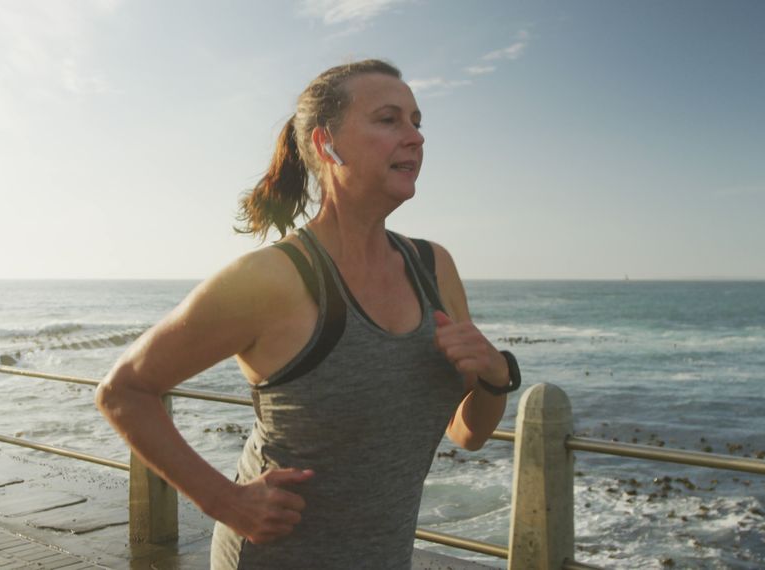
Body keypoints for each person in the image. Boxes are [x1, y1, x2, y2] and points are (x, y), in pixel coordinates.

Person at [95, 59, 520, 569]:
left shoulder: (434, 267)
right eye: (389, 120)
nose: (415, 138)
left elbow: (466, 433)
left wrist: (495, 378)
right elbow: (123, 391)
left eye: (417, 121)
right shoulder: (273, 278)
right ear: (326, 144)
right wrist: (226, 502)